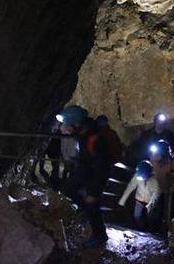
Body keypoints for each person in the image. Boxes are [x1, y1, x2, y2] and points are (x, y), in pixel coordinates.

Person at [59, 105, 111, 249]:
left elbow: (102, 167)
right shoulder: (84, 134)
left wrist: (93, 192)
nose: (66, 128)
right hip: (87, 171)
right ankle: (83, 210)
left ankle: (100, 236)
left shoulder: (95, 139)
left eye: (68, 125)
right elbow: (86, 159)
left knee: (92, 205)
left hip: (97, 175)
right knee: (67, 189)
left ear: (76, 124)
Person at [118, 160, 161, 230]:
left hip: (150, 201)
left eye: (143, 176)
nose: (141, 178)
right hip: (139, 200)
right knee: (137, 216)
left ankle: (150, 229)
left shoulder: (155, 181)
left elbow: (156, 194)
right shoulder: (137, 177)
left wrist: (150, 205)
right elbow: (130, 187)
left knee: (150, 217)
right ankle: (141, 228)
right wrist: (122, 200)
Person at [148, 139, 174, 229]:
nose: (155, 155)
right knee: (153, 208)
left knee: (166, 210)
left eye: (158, 153)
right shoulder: (153, 158)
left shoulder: (171, 162)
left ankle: (164, 228)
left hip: (166, 189)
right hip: (156, 189)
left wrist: (171, 188)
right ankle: (153, 226)